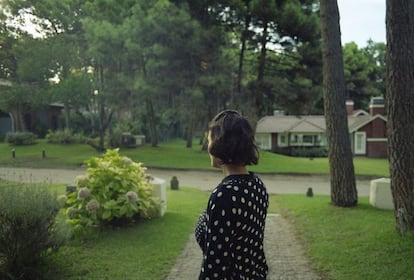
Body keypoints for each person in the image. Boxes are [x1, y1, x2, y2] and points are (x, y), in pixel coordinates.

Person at [195, 110, 269, 280]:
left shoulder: (224, 195)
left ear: (220, 144)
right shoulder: (257, 185)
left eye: (210, 140)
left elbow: (214, 266)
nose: (208, 146)